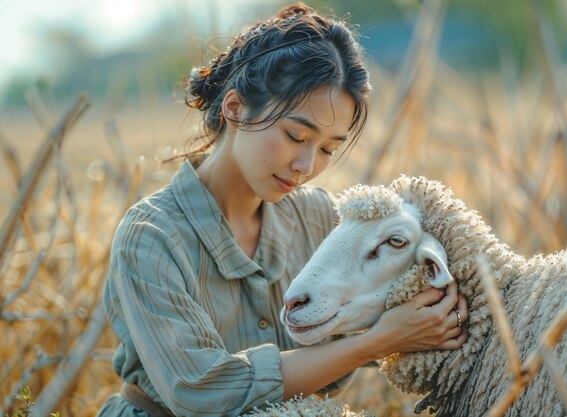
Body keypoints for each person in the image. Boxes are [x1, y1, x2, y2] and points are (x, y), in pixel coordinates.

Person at [96, 3, 468, 417]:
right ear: (235, 109)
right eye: (296, 135)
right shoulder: (151, 237)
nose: (307, 167)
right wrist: (375, 343)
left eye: (328, 148)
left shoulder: (319, 217)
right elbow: (201, 391)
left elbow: (401, 298)